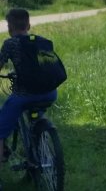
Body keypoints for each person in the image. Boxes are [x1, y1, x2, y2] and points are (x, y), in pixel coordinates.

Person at [0, 9, 66, 161]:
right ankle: (40, 137)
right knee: (35, 113)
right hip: (50, 93)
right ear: (28, 26)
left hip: (25, 96)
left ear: (9, 27)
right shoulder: (41, 41)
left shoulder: (10, 44)